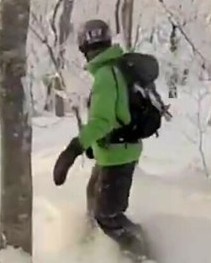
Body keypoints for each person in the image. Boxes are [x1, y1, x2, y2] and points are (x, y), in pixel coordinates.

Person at [53, 18, 143, 250]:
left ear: (84, 48)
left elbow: (103, 121)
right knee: (94, 204)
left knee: (108, 216)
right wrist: (95, 145)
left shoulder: (106, 75)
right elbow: (115, 113)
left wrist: (73, 150)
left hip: (118, 155)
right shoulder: (114, 70)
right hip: (113, 152)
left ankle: (145, 257)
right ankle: (89, 252)